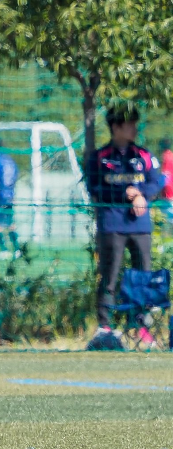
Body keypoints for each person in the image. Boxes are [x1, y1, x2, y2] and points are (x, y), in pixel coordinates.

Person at [85, 105, 165, 346]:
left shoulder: (143, 155)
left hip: (140, 226)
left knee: (143, 277)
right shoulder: (100, 157)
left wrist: (141, 195)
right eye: (130, 124)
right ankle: (105, 328)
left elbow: (157, 181)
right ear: (116, 127)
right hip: (112, 225)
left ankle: (139, 326)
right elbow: (94, 187)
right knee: (109, 277)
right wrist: (124, 194)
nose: (135, 128)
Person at [0, 136, 19, 254]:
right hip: (10, 195)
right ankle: (17, 249)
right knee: (11, 223)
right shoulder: (10, 159)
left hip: (0, 195)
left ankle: (4, 250)